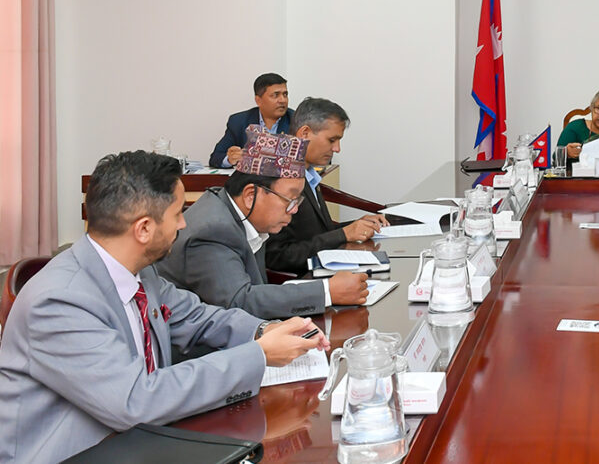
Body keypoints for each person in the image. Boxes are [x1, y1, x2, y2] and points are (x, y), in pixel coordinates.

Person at [0, 151, 328, 463]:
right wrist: (258, 354)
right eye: (178, 214)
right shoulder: (60, 302)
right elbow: (135, 401)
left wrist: (264, 330)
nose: (184, 224)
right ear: (144, 228)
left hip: (139, 442)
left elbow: (197, 317)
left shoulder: (140, 271)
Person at [158, 126, 370, 319]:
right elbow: (239, 302)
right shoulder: (213, 230)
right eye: (290, 199)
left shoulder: (241, 214)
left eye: (298, 200)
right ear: (251, 195)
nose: (294, 209)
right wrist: (326, 291)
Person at [265, 97, 388, 275]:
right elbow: (278, 256)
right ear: (304, 133)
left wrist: (357, 225)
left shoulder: (308, 175)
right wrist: (344, 234)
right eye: (332, 140)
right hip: (305, 282)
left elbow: (319, 233)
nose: (337, 149)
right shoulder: (280, 181)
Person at [209, 73, 293, 167]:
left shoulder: (296, 120)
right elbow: (216, 157)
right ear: (258, 100)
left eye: (285, 94)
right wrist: (230, 159)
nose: (283, 100)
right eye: (275, 95)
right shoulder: (239, 122)